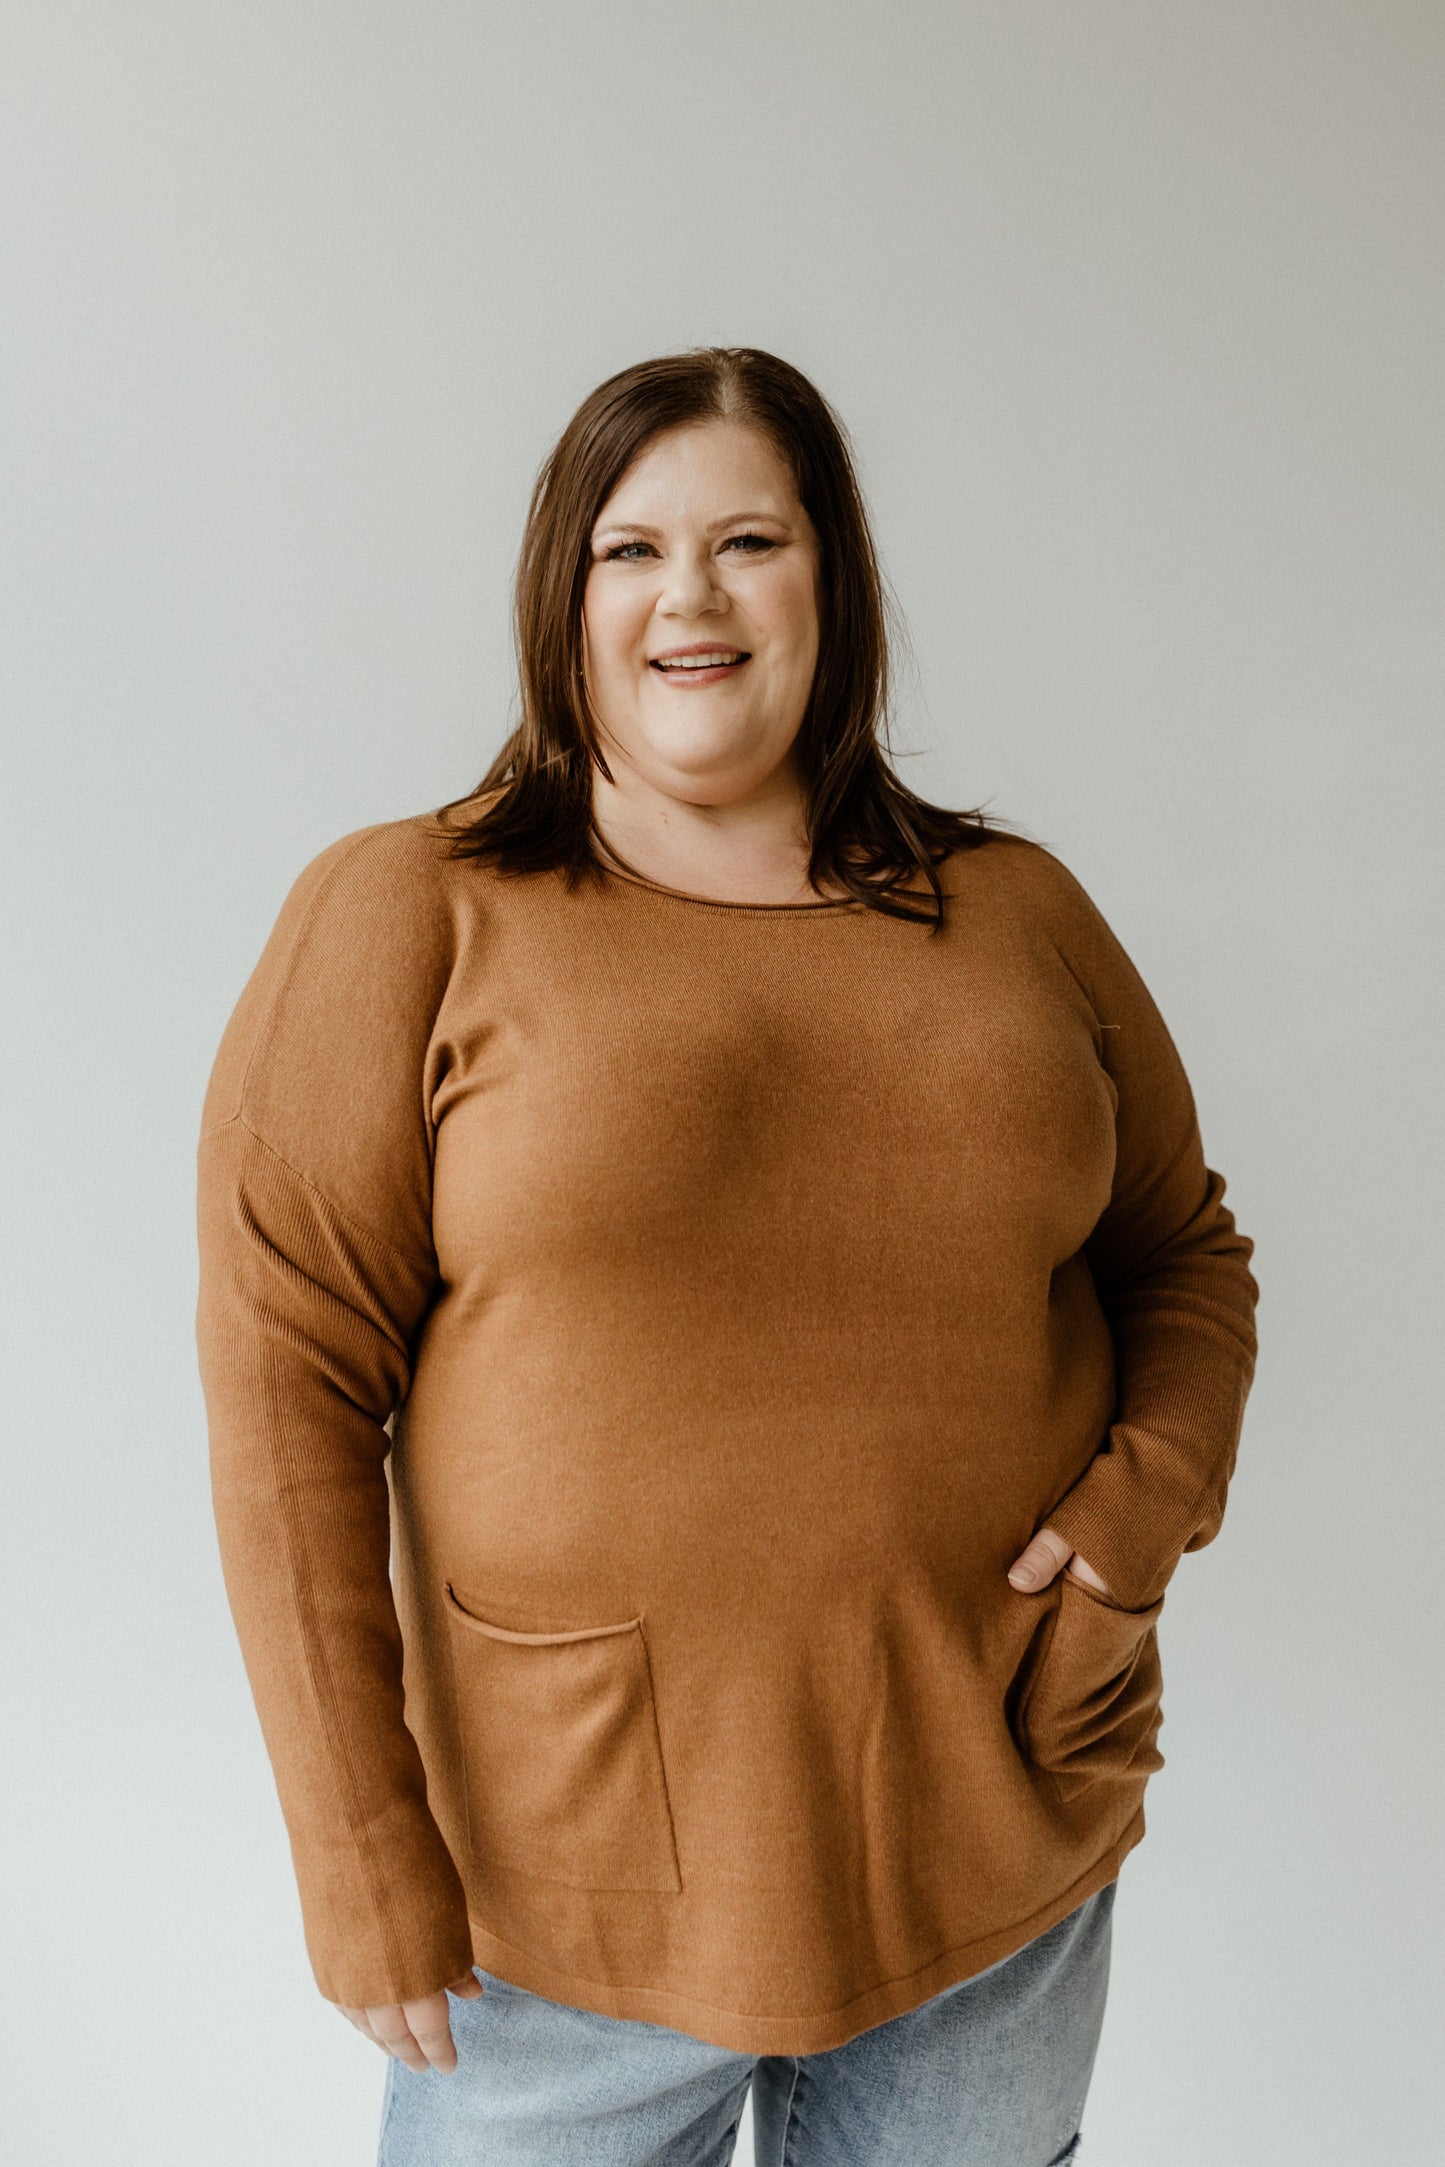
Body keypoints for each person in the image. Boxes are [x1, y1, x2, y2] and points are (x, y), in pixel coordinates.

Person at [194, 346, 1259, 2165]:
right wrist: (356, 1844)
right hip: (550, 1902)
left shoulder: (1018, 916)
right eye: (630, 549)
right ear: (564, 598)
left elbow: (1183, 1259)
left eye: (747, 540)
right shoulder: (409, 911)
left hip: (992, 1848)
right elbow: (286, 1385)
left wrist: (1135, 1520)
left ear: (828, 586)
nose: (688, 595)